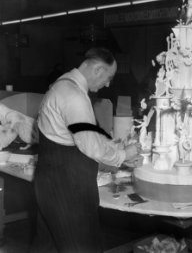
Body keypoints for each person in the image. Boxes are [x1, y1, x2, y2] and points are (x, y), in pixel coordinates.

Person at [31, 47, 141, 253]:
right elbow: (90, 145)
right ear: (98, 70)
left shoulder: (62, 84)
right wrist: (124, 154)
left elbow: (82, 134)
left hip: (50, 185)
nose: (107, 84)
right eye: (109, 77)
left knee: (46, 247)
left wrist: (114, 147)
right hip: (67, 191)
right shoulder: (74, 97)